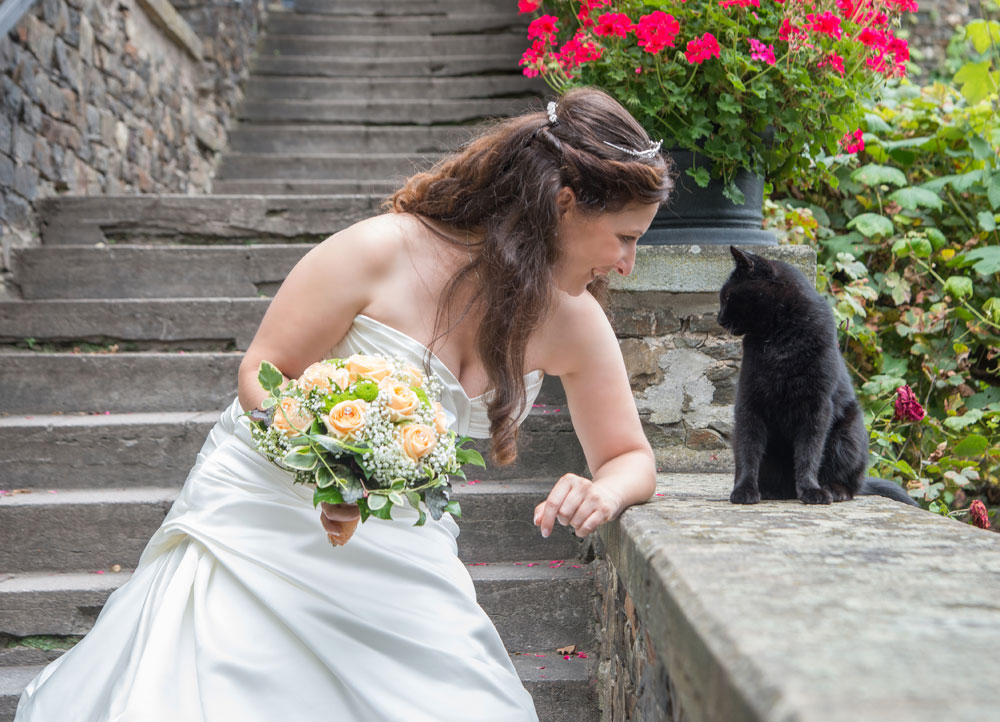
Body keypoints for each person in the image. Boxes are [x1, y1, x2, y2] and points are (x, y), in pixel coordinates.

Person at [14, 87, 673, 721]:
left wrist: (606, 493)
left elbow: (627, 456)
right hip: (271, 517)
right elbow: (264, 370)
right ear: (563, 204)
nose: (628, 265)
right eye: (625, 237)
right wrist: (330, 464)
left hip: (402, 550)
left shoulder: (576, 323)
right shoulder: (380, 250)